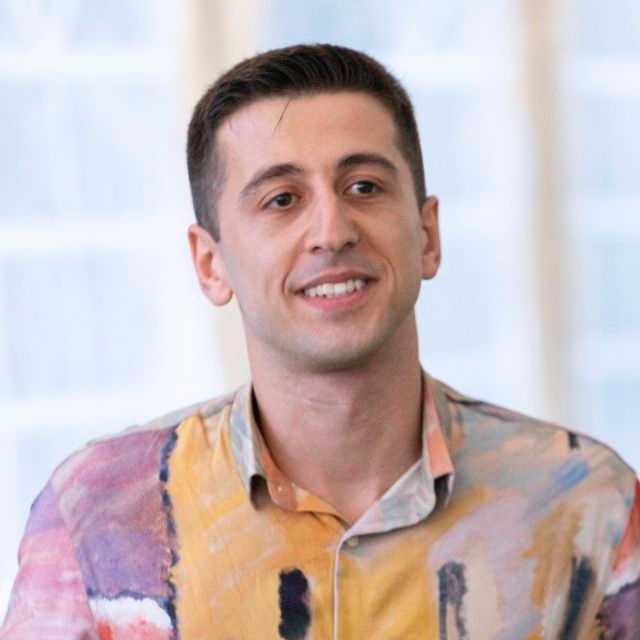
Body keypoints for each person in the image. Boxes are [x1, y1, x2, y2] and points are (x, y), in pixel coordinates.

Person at [1, 43, 638, 640]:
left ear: (427, 234)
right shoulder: (96, 516)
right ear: (210, 264)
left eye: (364, 187)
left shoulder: (590, 503)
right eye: (282, 199)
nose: (332, 231)